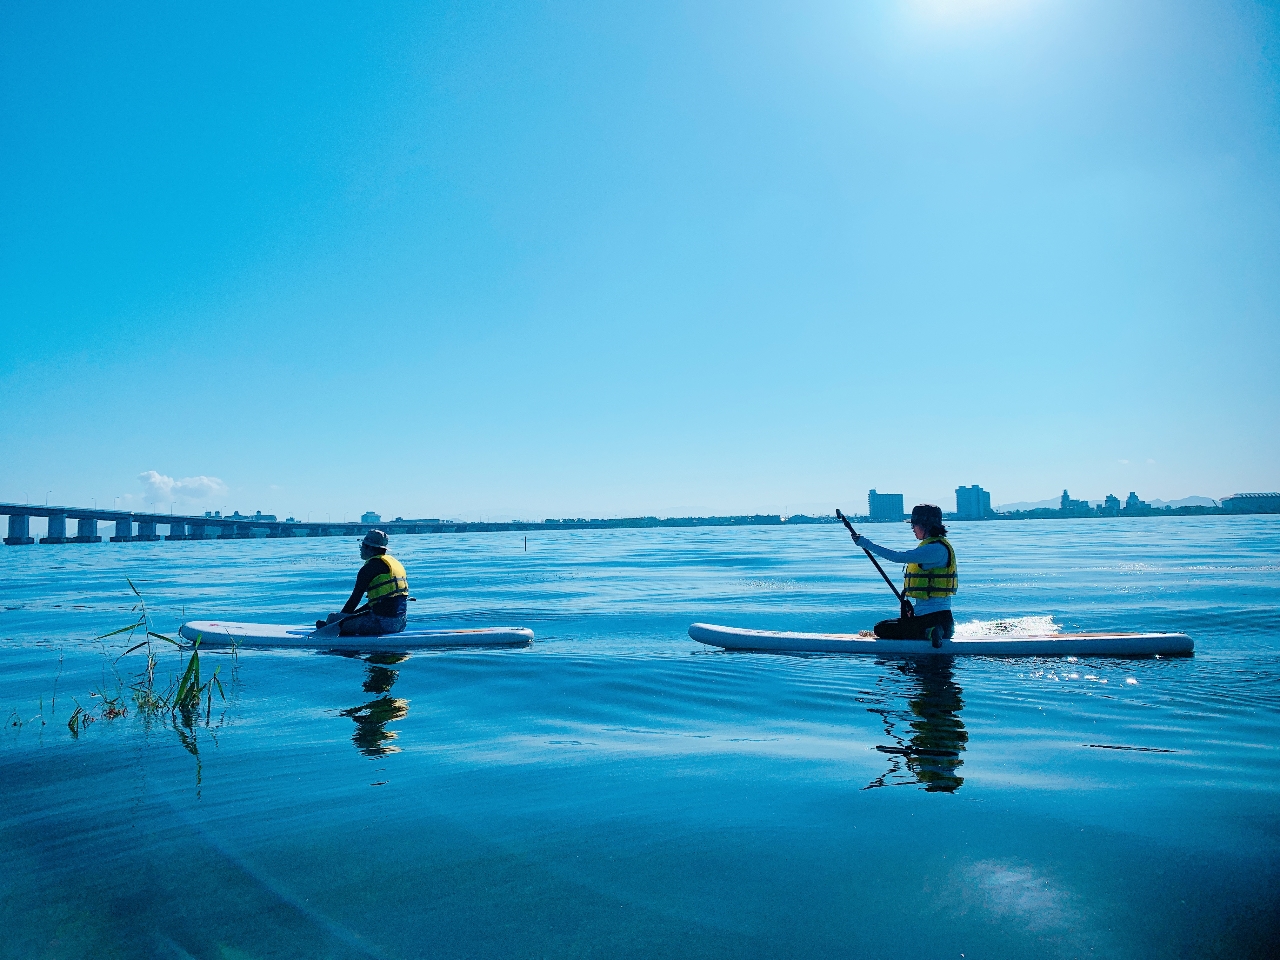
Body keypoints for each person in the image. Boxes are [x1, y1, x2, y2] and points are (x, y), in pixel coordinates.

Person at [850, 504, 957, 645]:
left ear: (926, 525)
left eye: (914, 525)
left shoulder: (935, 549)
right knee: (885, 625)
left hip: (936, 619)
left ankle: (930, 632)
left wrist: (866, 544)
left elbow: (897, 557)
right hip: (933, 618)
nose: (912, 528)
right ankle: (930, 631)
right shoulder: (933, 546)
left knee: (881, 629)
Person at [317, 530, 410, 636]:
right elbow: (379, 603)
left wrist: (337, 623)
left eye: (363, 545)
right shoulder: (394, 564)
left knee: (332, 617)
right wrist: (350, 616)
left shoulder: (369, 568)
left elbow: (354, 600)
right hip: (401, 623)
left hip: (382, 624)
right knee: (344, 618)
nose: (361, 548)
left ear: (370, 548)